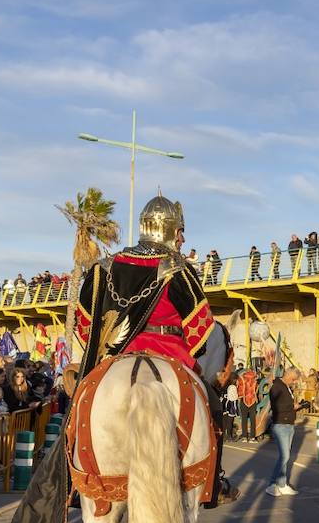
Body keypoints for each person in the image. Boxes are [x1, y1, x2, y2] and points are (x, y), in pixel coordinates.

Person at [69, 194, 227, 505]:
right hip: (170, 354)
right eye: (180, 231)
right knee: (212, 406)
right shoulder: (178, 268)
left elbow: (85, 326)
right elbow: (199, 331)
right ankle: (214, 483)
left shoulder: (104, 266)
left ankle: (74, 479)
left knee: (77, 408)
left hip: (116, 356)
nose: (182, 239)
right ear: (168, 230)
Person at [265, 368, 299, 497]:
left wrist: (297, 405)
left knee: (285, 456)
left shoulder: (286, 387)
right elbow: (276, 406)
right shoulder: (277, 386)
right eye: (293, 379)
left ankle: (282, 484)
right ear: (288, 375)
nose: (294, 382)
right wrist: (292, 406)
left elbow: (286, 403)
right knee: (284, 456)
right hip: (281, 425)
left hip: (288, 424)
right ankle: (272, 484)